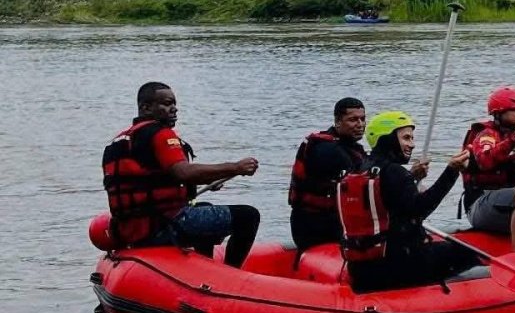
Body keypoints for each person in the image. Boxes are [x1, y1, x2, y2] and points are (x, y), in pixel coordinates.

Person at [101, 82, 260, 267]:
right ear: (146, 108)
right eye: (167, 103)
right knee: (248, 216)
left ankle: (204, 267)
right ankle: (231, 273)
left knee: (205, 207)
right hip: (162, 226)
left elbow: (151, 180)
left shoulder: (118, 142)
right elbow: (183, 172)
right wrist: (236, 167)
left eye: (174, 104)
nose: (174, 109)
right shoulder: (160, 134)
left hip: (134, 230)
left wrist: (208, 180)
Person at [339, 111, 479, 293]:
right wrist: (451, 171)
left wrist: (412, 177)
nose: (412, 144)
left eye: (412, 138)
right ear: (387, 139)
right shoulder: (394, 172)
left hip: (361, 270)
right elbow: (420, 210)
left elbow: (393, 204)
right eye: (406, 138)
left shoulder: (359, 168)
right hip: (399, 266)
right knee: (465, 253)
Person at [460, 87, 515, 253]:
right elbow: (484, 161)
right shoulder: (487, 134)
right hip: (482, 202)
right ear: (499, 113)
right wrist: (514, 139)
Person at [288, 97, 368, 252]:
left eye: (362, 119)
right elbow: (364, 181)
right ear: (338, 122)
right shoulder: (327, 150)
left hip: (330, 221)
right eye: (353, 120)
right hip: (314, 225)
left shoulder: (349, 148)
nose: (360, 124)